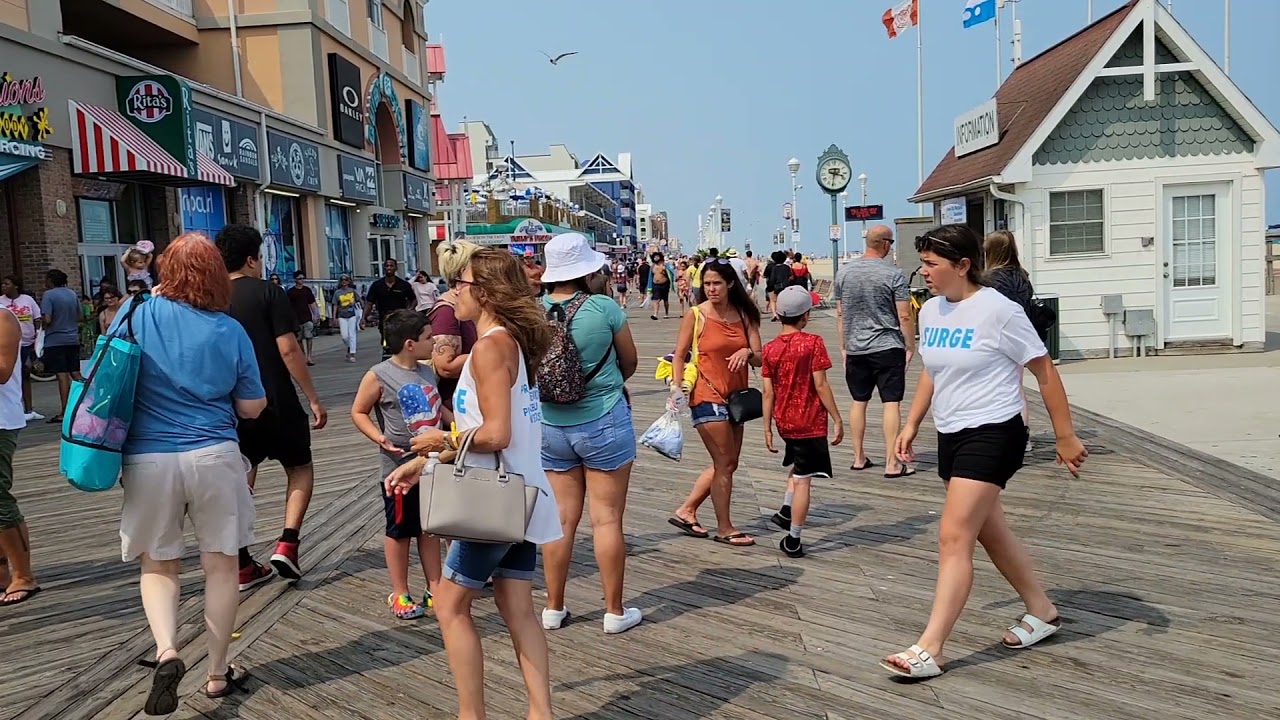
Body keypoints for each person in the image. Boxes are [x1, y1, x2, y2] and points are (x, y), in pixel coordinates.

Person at [881, 224, 1088, 680]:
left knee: (953, 537)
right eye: (923, 264)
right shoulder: (932, 311)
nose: (925, 273)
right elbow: (933, 371)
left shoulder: (999, 311)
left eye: (933, 265)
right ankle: (1043, 610)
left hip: (996, 430)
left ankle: (931, 647)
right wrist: (912, 423)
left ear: (963, 265)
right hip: (952, 432)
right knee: (988, 531)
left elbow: (1043, 370)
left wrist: (1065, 434)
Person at [384, 247, 559, 720]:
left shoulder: (488, 347)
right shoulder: (510, 344)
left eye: (457, 285)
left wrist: (443, 437)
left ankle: (471, 715)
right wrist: (428, 460)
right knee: (516, 605)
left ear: (482, 293)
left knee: (449, 605)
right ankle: (540, 711)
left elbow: (496, 432)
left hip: (489, 502)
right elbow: (499, 433)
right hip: (518, 494)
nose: (450, 294)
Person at [113, 233, 267, 711]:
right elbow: (252, 406)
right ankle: (218, 674)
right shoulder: (229, 330)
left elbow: (111, 369)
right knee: (221, 564)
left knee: (158, 563)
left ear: (165, 272)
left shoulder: (134, 312)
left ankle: (167, 651)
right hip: (215, 455)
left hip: (147, 457)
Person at [537, 233, 642, 635]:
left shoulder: (532, 311)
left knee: (561, 521)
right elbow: (629, 362)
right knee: (607, 520)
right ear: (587, 269)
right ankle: (614, 612)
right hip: (603, 419)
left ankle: (553, 607)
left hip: (550, 425)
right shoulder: (605, 308)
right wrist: (605, 385)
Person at [214, 224, 327, 591]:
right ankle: (288, 543)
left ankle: (243, 561)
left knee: (243, 474)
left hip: (233, 405)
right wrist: (311, 397)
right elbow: (288, 349)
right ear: (251, 259)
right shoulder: (269, 293)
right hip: (276, 398)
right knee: (299, 467)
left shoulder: (211, 297)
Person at [351, 310, 447, 620]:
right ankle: (400, 591)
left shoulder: (427, 371)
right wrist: (378, 437)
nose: (434, 342)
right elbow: (359, 411)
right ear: (409, 343)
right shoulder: (379, 374)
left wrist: (458, 426)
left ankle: (435, 586)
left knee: (430, 528)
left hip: (432, 464)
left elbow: (437, 406)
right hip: (398, 467)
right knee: (400, 530)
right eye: (428, 337)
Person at [667, 259, 762, 547]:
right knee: (724, 462)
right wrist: (676, 388)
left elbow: (760, 356)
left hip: (737, 399)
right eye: (706, 284)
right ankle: (725, 527)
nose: (711, 289)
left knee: (728, 463)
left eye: (717, 283)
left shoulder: (745, 315)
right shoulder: (696, 315)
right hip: (705, 396)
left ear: (730, 283)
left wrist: (746, 351)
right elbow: (680, 355)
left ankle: (687, 510)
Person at [762, 287, 843, 559]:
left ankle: (786, 512)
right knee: (804, 480)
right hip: (809, 421)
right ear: (805, 316)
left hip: (785, 421)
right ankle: (794, 539)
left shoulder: (770, 349)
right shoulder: (813, 343)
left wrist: (767, 427)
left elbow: (768, 392)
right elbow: (820, 384)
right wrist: (837, 417)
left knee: (798, 464)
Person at [834, 224, 915, 478]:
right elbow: (904, 314)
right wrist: (910, 345)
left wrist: (844, 346)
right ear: (886, 244)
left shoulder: (844, 273)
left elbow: (840, 313)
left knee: (859, 401)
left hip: (856, 346)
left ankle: (858, 457)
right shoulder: (893, 274)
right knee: (891, 402)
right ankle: (892, 463)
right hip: (887, 345)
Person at [984, 230, 1037, 452]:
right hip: (1020, 338)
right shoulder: (1022, 275)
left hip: (994, 340)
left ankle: (997, 435)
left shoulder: (989, 280)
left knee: (993, 388)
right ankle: (1022, 436)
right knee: (1017, 388)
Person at [0, 302, 36, 606]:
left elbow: (3, 371)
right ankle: (1, 572)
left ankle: (23, 575)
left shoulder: (3, 317)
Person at [429, 241, 481, 409]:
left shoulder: (467, 306)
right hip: (456, 407)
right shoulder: (446, 312)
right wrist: (492, 352)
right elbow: (446, 367)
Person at [39, 269, 82, 425]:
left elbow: (48, 319)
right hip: (72, 338)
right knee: (76, 374)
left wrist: (42, 324)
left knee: (62, 376)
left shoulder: (48, 295)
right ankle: (85, 405)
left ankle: (65, 411)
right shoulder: (71, 294)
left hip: (55, 340)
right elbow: (80, 316)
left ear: (50, 280)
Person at [1, 277, 43, 422]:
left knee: (25, 373)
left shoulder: (27, 300)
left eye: (7, 284)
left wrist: (38, 335)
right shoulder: (2, 301)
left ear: (16, 286)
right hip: (12, 343)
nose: (4, 286)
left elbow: (37, 318)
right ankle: (20, 407)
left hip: (27, 342)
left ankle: (29, 408)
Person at [363, 259, 415, 360]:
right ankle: (387, 359)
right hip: (385, 321)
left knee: (400, 341)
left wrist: (409, 311)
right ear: (384, 268)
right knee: (387, 343)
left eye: (391, 266)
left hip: (401, 320)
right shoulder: (377, 285)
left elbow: (413, 300)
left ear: (396, 268)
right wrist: (363, 318)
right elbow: (369, 303)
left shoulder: (404, 285)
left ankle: (401, 359)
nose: (389, 268)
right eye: (387, 266)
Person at [286, 273, 319, 366]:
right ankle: (303, 356)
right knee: (299, 339)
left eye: (302, 278)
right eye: (299, 278)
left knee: (309, 337)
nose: (301, 280)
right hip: (296, 319)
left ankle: (309, 356)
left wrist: (315, 314)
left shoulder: (307, 290)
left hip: (307, 317)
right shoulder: (291, 292)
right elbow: (288, 306)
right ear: (295, 280)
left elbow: (312, 303)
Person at [332, 275, 361, 363]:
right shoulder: (337, 293)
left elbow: (359, 300)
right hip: (342, 316)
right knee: (344, 336)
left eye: (346, 280)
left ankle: (352, 353)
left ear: (349, 281)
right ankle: (349, 347)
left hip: (352, 315)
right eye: (342, 280)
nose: (344, 281)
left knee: (352, 334)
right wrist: (334, 317)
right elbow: (335, 305)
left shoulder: (352, 291)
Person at [765, 251, 792, 321]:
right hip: (786, 285)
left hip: (776, 286)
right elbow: (791, 276)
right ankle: (784, 313)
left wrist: (770, 286)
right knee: (784, 300)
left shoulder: (775, 268)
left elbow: (772, 278)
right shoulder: (787, 267)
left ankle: (775, 314)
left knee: (773, 301)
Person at [648, 252, 675, 320]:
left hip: (664, 284)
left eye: (657, 257)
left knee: (665, 299)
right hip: (655, 285)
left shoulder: (665, 265)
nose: (656, 258)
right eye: (655, 257)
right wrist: (649, 287)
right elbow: (650, 277)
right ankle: (655, 314)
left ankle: (666, 313)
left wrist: (665, 270)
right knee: (656, 300)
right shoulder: (652, 266)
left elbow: (671, 273)